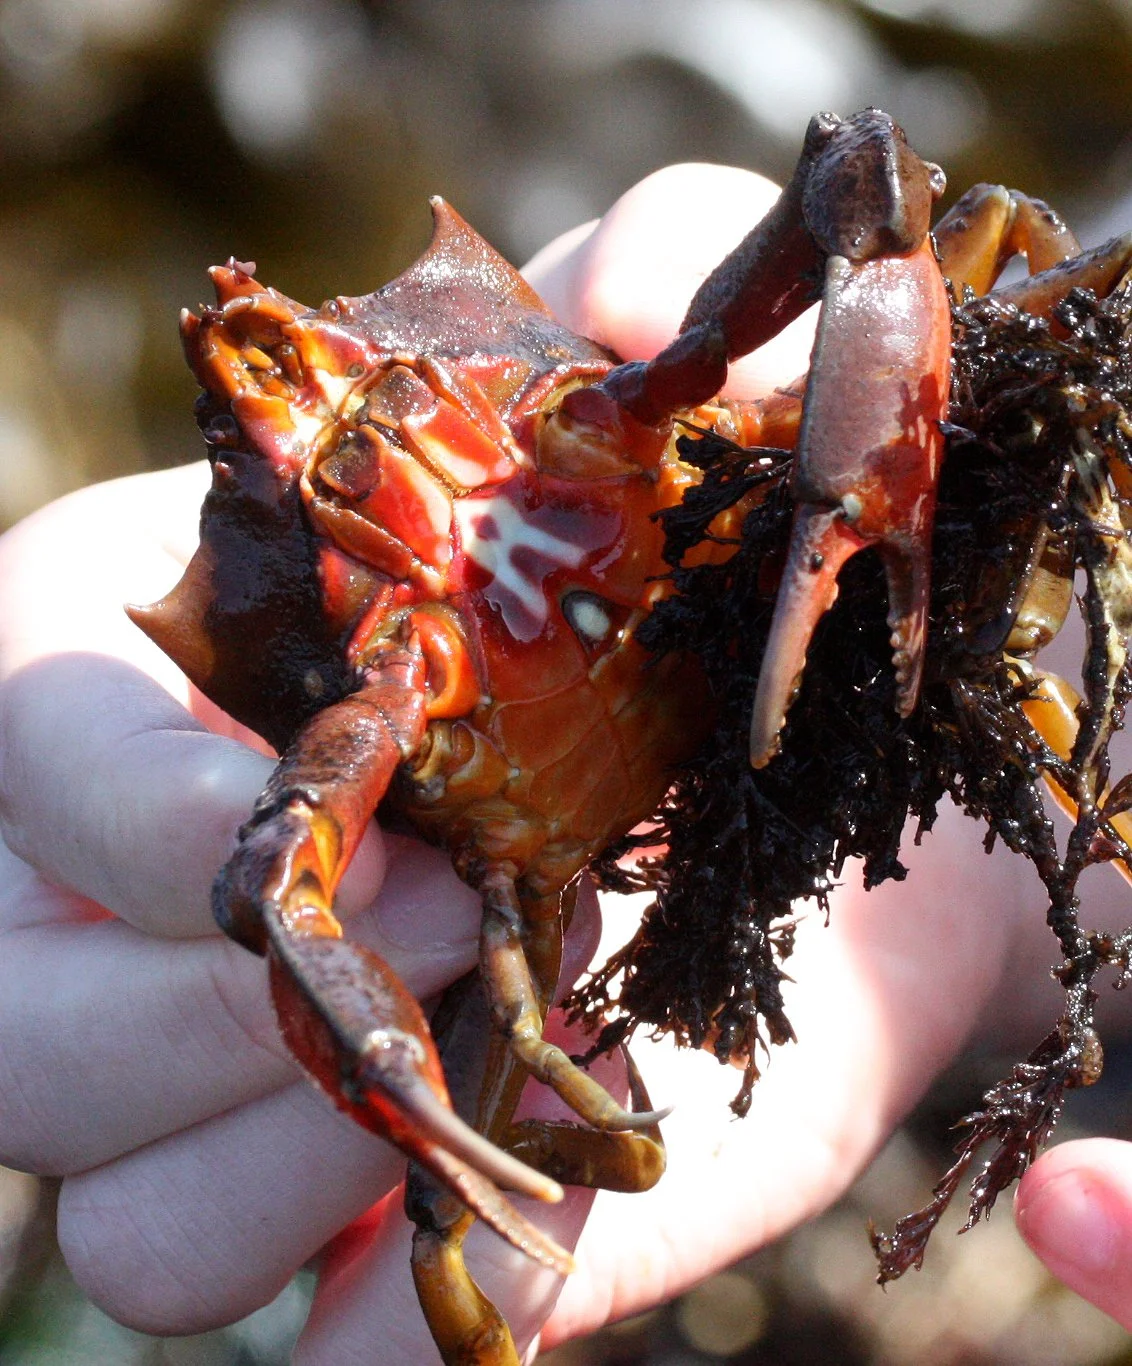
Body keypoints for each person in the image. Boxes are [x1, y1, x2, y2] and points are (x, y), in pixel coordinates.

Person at [1, 162, 1130, 1365]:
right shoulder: (386, 689)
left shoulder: (633, 417)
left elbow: (873, 184)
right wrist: (444, 1117)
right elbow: (284, 881)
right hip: (566, 897)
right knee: (450, 1233)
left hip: (842, 614)